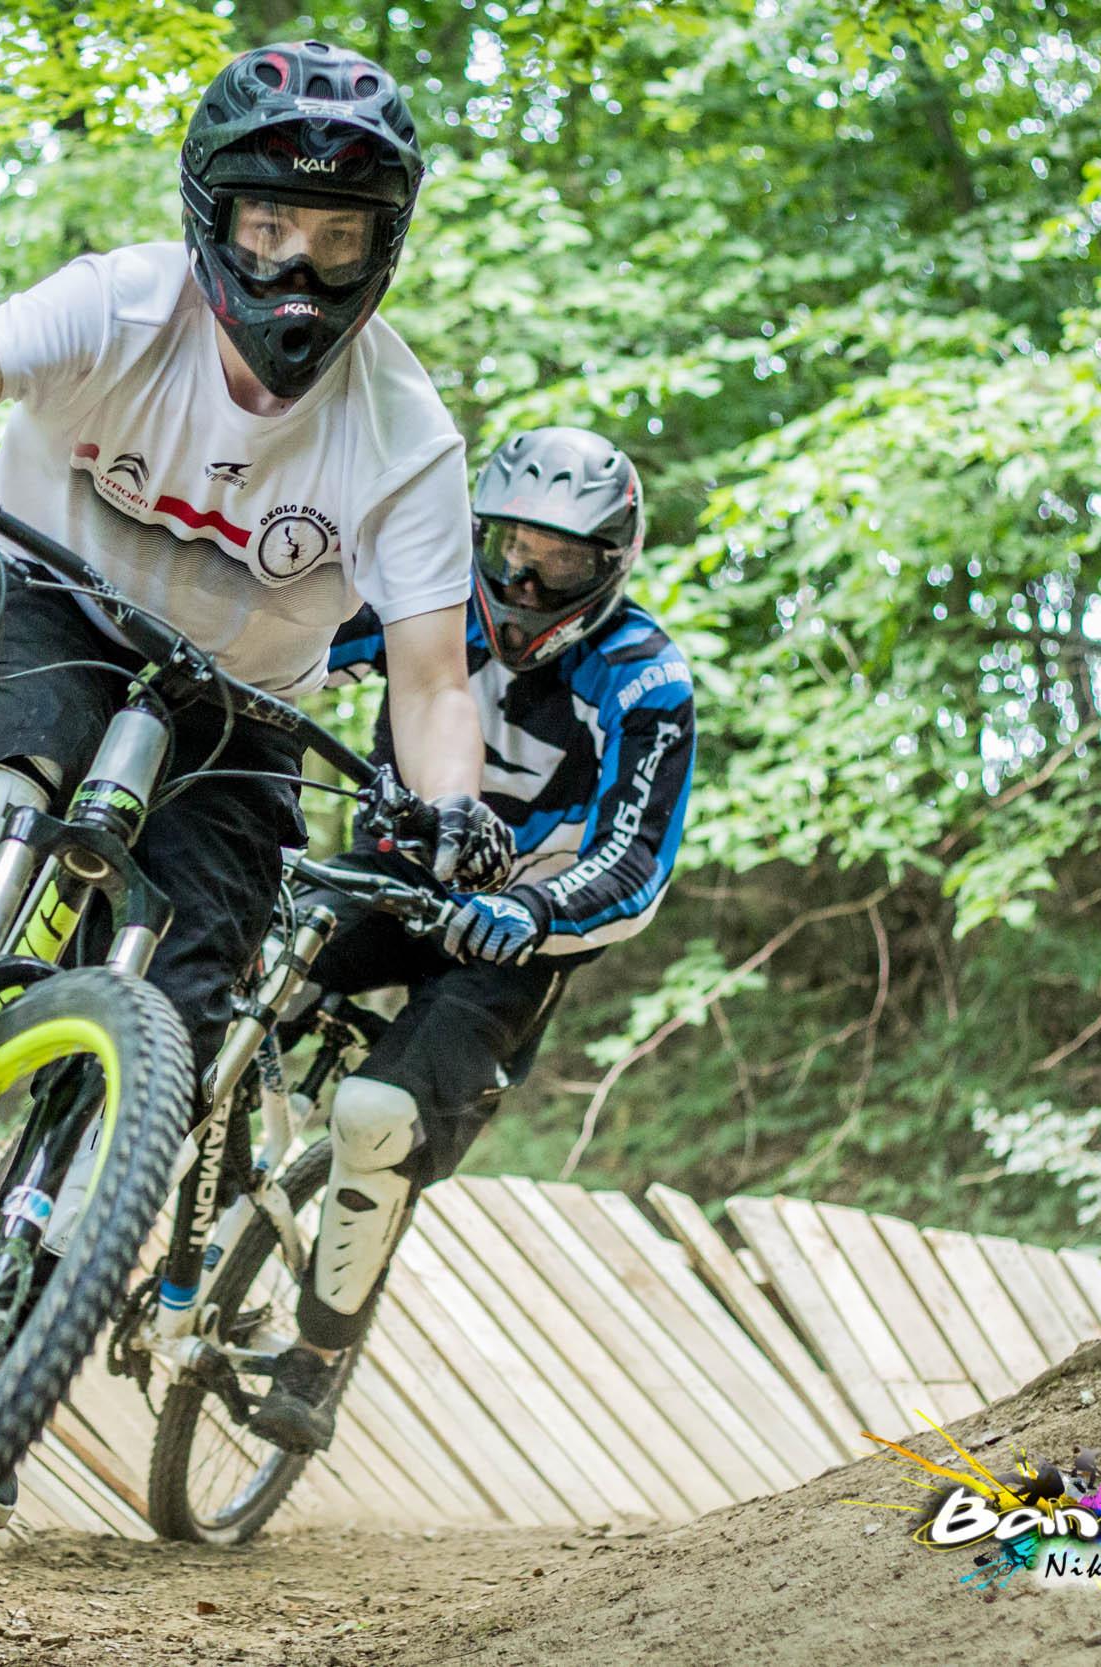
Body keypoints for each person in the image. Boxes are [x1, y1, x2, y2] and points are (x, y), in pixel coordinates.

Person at [0, 41, 517, 1244]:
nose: (297, 268)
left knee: (188, 996)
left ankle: (44, 1259)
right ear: (212, 220)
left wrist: (451, 806)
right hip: (41, 601)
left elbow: (434, 679)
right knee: (1, 767)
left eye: (336, 238)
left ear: (379, 247)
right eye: (268, 228)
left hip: (239, 711)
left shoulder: (408, 436)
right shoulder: (123, 300)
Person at [248, 425, 697, 1454]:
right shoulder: (431, 600)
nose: (526, 581)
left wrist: (532, 913)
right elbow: (277, 660)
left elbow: (637, 860)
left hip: (520, 935)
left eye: (560, 561)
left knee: (375, 1114)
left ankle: (314, 1358)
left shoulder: (646, 679)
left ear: (612, 562)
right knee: (234, 973)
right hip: (392, 877)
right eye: (511, 547)